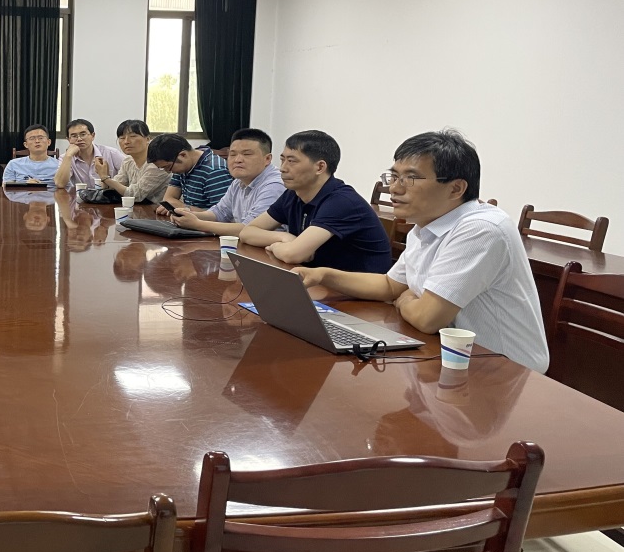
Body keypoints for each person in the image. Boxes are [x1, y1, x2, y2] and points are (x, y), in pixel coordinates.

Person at [294, 130, 549, 373]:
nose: (394, 188)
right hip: (450, 356)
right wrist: (323, 275)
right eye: (394, 177)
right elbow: (390, 286)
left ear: (456, 189)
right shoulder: (425, 225)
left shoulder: (481, 230)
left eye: (411, 178)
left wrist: (406, 300)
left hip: (503, 370)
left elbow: (428, 318)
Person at [239, 130, 392, 273]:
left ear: (320, 167)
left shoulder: (341, 202)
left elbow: (292, 254)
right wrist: (284, 237)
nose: (282, 168)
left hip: (357, 288)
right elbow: (247, 232)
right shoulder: (293, 194)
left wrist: (282, 247)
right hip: (317, 279)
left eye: (292, 161)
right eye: (282, 160)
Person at [170, 128, 285, 236]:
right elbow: (219, 213)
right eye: (233, 154)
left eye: (247, 154)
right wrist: (188, 215)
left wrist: (197, 224)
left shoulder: (274, 185)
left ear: (267, 159)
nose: (237, 160)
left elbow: (250, 229)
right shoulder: (238, 182)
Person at [147, 133, 233, 213]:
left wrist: (184, 208)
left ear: (183, 155)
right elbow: (168, 199)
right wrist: (181, 208)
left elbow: (223, 214)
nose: (168, 171)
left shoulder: (214, 171)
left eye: (168, 167)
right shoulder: (183, 165)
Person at [97, 119, 169, 204]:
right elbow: (114, 187)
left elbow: (136, 195)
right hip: (137, 208)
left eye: (133, 136)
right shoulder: (128, 161)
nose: (126, 142)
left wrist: (105, 178)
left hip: (158, 210)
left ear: (148, 139)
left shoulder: (157, 164)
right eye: (122, 138)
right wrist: (105, 175)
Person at [54, 118, 124, 189]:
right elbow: (60, 184)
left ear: (92, 136)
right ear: (69, 139)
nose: (79, 139)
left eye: (83, 134)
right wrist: (68, 156)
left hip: (109, 194)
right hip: (81, 195)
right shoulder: (65, 158)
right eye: (74, 136)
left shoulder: (111, 153)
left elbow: (128, 174)